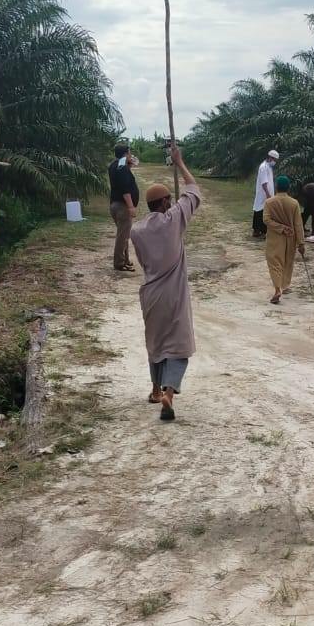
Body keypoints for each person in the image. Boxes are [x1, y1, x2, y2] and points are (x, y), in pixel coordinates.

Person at [130, 143, 201, 422]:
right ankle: (169, 394)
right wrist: (179, 163)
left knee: (156, 342)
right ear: (164, 203)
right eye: (169, 199)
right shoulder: (173, 220)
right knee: (178, 344)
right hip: (174, 293)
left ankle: (155, 389)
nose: (171, 203)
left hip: (150, 293)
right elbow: (193, 190)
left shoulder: (137, 231)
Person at [263, 176, 305, 304]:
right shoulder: (294, 203)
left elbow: (266, 220)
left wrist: (280, 228)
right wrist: (301, 243)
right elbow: (298, 224)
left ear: (276, 187)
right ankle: (285, 286)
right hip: (290, 238)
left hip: (274, 238)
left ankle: (277, 289)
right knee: (288, 262)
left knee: (275, 263)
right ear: (288, 188)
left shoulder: (269, 202)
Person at [107, 143, 140, 271]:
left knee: (124, 235)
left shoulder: (115, 165)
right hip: (122, 206)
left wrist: (129, 165)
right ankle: (119, 263)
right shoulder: (122, 168)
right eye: (129, 153)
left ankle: (125, 260)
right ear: (126, 153)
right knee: (122, 236)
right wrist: (131, 206)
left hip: (115, 205)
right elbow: (125, 189)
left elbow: (121, 178)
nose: (130, 155)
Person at [251, 150, 279, 238]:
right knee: (260, 211)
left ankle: (261, 231)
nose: (275, 162)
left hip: (267, 194)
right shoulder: (263, 167)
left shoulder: (269, 167)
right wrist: (268, 194)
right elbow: (264, 183)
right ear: (270, 158)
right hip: (263, 193)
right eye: (274, 160)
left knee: (263, 211)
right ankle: (258, 231)